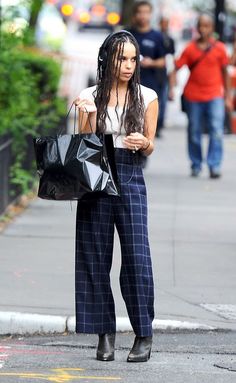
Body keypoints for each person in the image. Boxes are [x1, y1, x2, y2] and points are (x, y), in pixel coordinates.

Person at [74, 30, 158, 363]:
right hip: (96, 176)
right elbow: (83, 145)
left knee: (137, 258)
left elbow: (151, 145)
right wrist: (88, 112)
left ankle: (143, 334)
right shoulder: (89, 94)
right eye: (121, 58)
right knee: (95, 258)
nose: (128, 65)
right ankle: (104, 335)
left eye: (133, 58)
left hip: (131, 175)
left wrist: (144, 143)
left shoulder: (147, 96)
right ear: (107, 58)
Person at [174, 14, 232, 179]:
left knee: (216, 131)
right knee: (194, 132)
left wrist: (227, 97)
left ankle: (214, 165)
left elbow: (225, 72)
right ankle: (196, 164)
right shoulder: (190, 48)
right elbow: (176, 66)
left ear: (212, 28)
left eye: (207, 26)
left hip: (215, 96)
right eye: (201, 26)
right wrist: (172, 87)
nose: (203, 29)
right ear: (197, 28)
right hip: (193, 96)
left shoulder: (220, 48)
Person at [129, 0, 165, 137]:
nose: (143, 16)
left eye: (146, 12)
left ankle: (143, 149)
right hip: (129, 83)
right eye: (140, 12)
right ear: (135, 15)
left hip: (150, 83)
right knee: (130, 118)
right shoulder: (127, 33)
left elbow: (163, 61)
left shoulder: (157, 36)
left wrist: (152, 63)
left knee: (146, 119)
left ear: (150, 15)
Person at [156, 15, 176, 133]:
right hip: (153, 74)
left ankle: (159, 125)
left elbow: (171, 61)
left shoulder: (169, 40)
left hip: (164, 75)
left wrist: (173, 80)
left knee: (163, 102)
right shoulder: (155, 37)